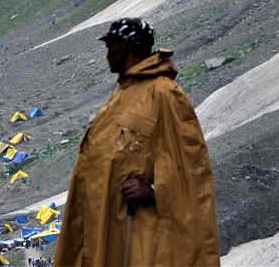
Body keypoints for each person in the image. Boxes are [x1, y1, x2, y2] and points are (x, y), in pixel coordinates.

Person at [54, 18, 219, 266]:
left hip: (139, 231)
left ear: (125, 47)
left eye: (110, 46)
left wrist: (152, 192)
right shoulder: (124, 93)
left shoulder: (164, 93)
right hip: (109, 226)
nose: (107, 54)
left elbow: (189, 168)